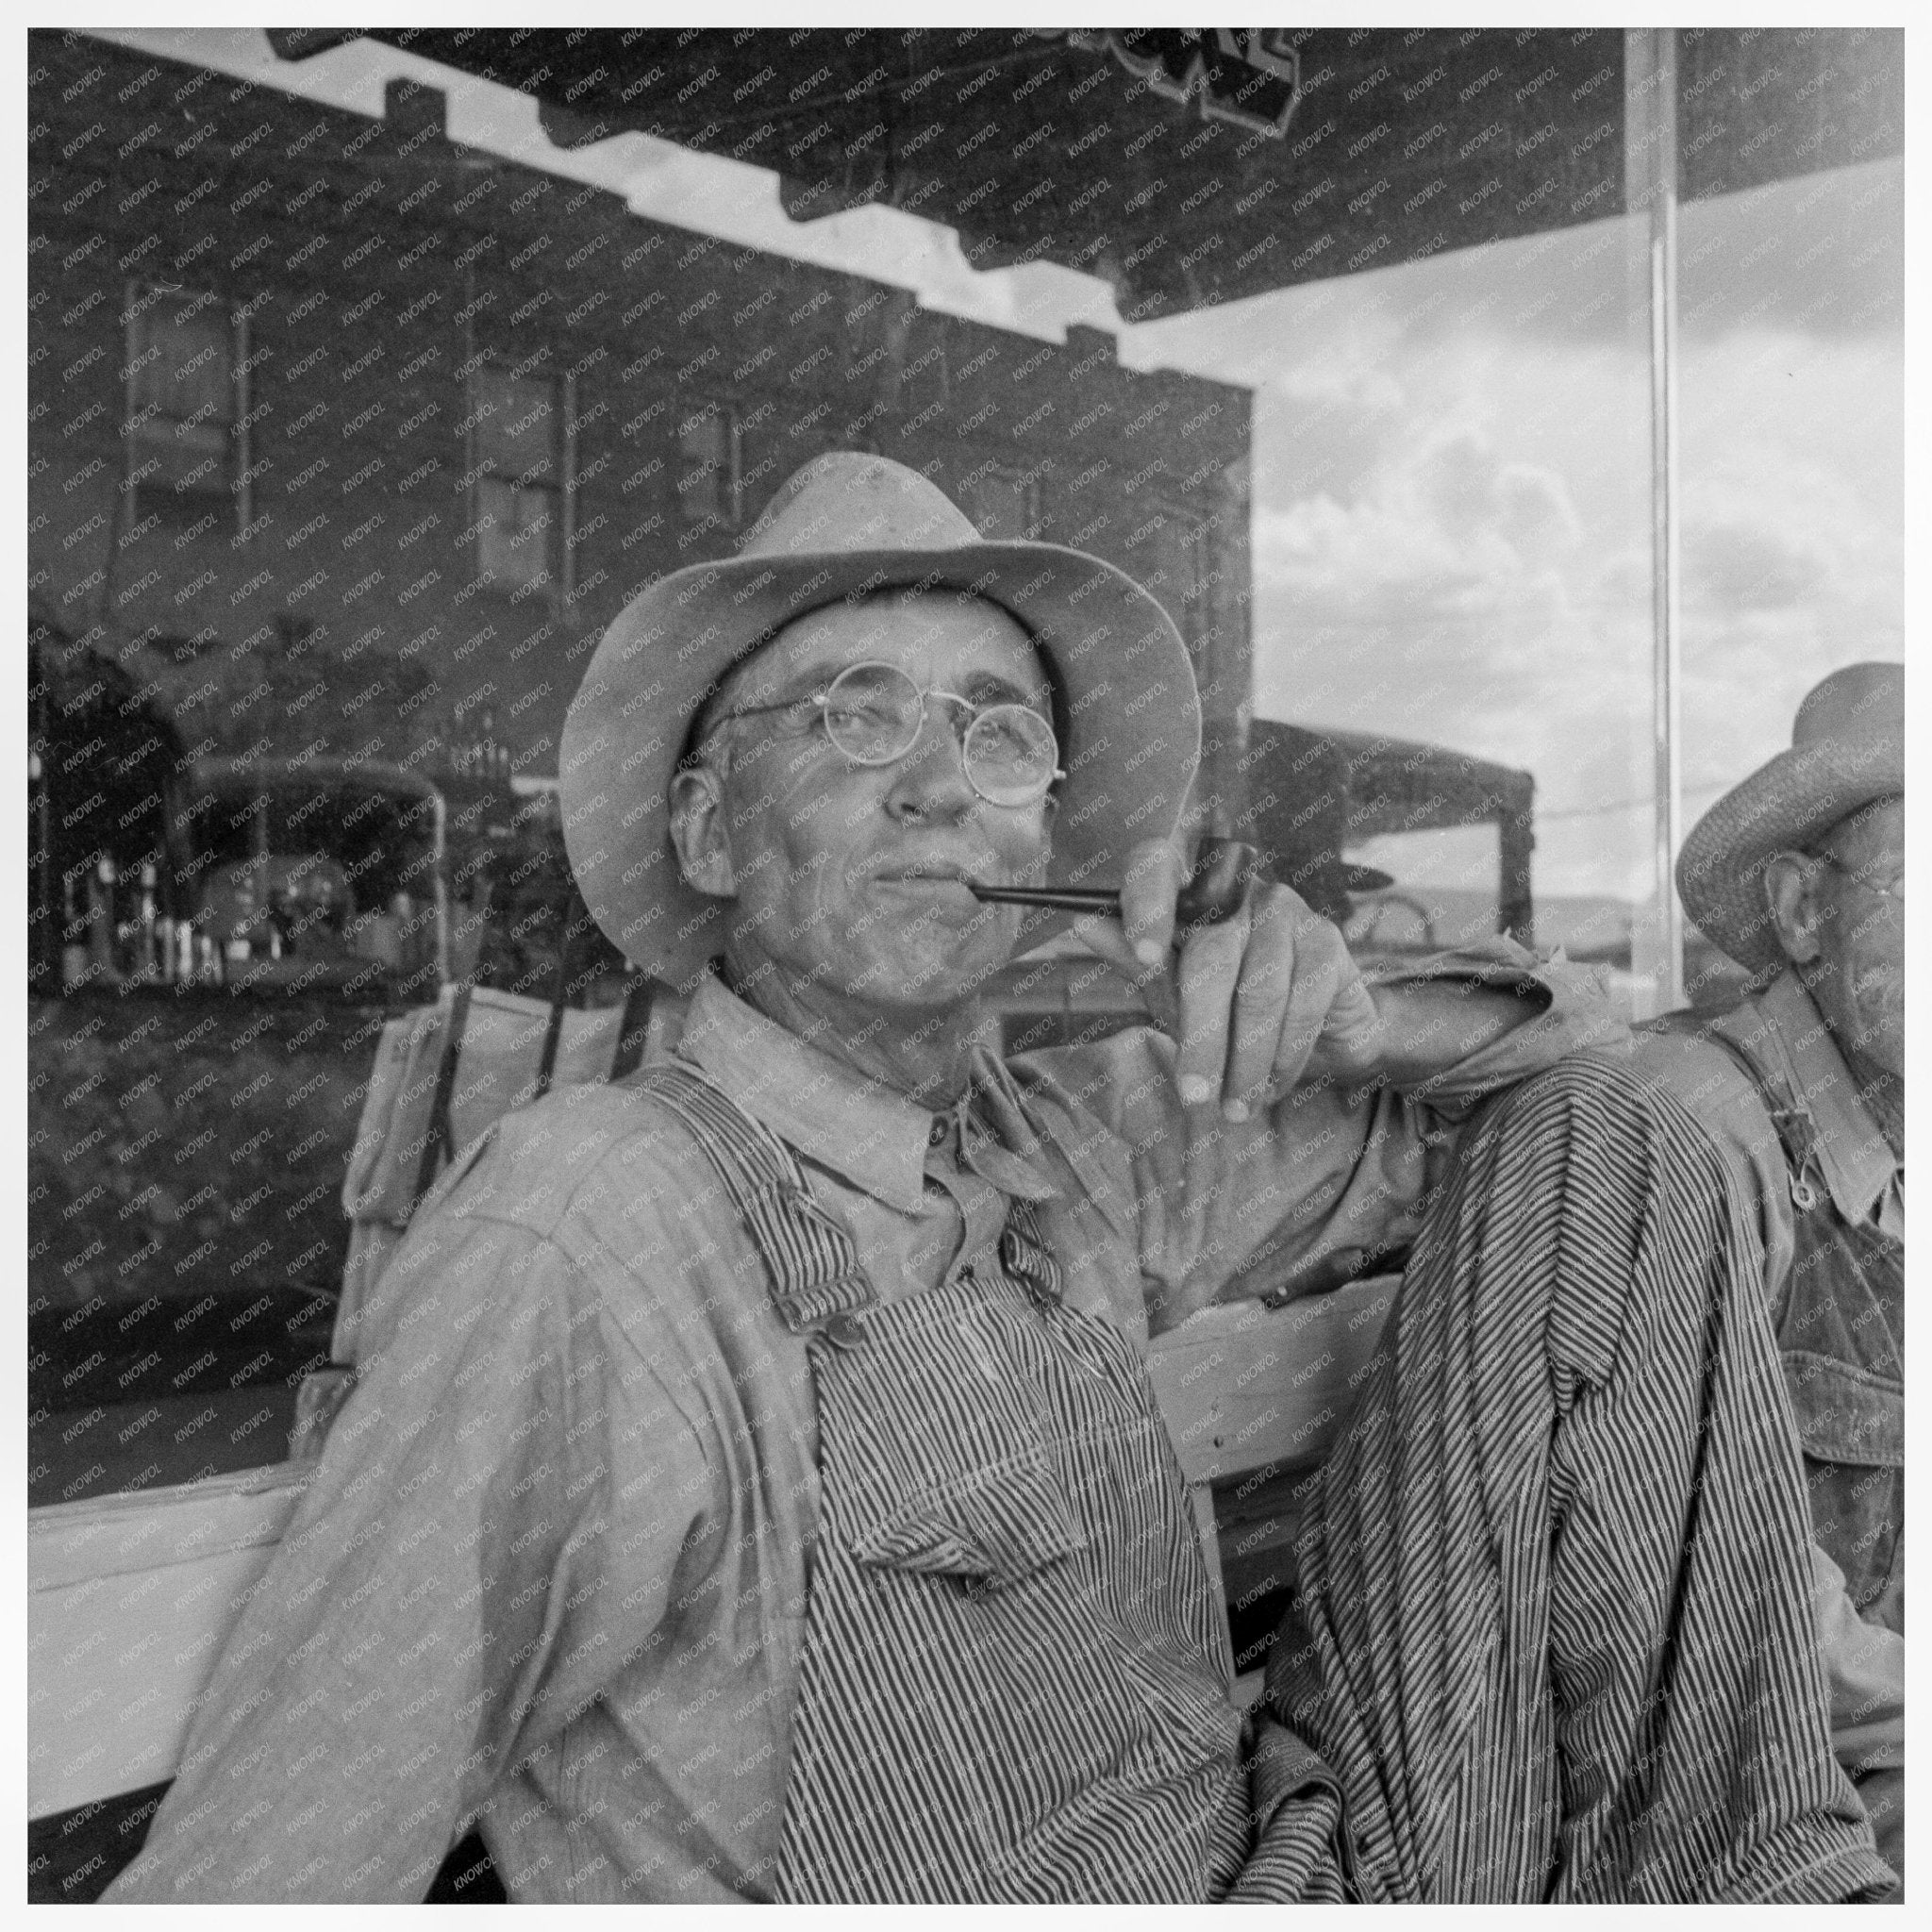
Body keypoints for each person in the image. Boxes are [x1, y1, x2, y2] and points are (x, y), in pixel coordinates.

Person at [108, 458, 1892, 1903]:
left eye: (995, 733)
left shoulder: (1083, 1139)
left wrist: (1339, 1015)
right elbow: (259, 1866)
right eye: (852, 720)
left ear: (1049, 834)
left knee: (1636, 1135)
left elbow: (1590, 1096)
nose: (939, 792)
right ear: (715, 833)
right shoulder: (588, 1232)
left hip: (1307, 1866)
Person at [1615, 661, 1904, 1878]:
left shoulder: (1890, 1135)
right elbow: (1720, 1604)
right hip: (1702, 1807)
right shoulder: (1689, 1129)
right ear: (1802, 911)